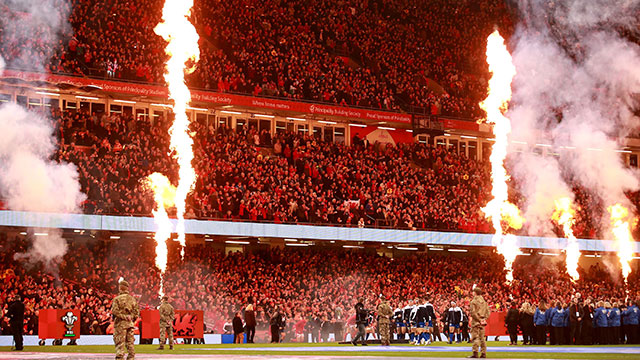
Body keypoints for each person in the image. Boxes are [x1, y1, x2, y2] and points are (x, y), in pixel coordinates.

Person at [111, 280, 139, 360]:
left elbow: (114, 311)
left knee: (120, 342)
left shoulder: (117, 299)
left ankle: (120, 358)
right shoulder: (132, 299)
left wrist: (123, 316)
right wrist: (131, 318)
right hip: (130, 324)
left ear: (120, 288)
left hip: (120, 324)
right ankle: (131, 357)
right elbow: (136, 313)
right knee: (130, 343)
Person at [468, 287, 490, 359]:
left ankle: (475, 352)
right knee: (482, 338)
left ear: (475, 293)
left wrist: (478, 319)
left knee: (475, 337)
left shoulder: (473, 302)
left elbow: (473, 313)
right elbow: (488, 312)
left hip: (476, 322)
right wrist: (483, 319)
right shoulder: (484, 302)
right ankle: (483, 353)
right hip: (482, 321)